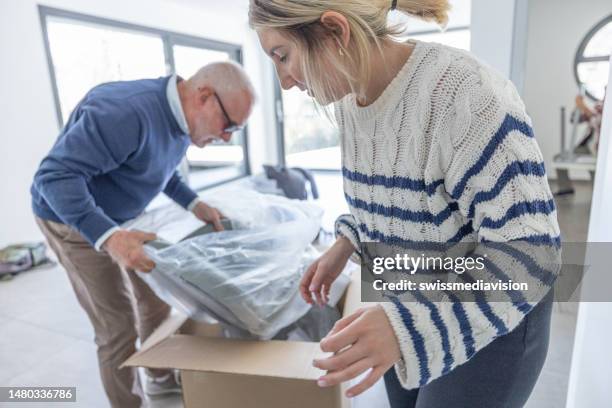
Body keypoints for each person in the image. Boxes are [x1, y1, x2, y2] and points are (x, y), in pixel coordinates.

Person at [249, 1, 560, 407]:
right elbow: (388, 196)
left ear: (335, 32)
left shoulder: (467, 94)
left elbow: (531, 251)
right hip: (406, 297)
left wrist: (406, 327)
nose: (284, 81)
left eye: (282, 56)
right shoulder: (348, 102)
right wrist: (347, 242)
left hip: (493, 311)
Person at [31, 61, 255, 408]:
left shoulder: (182, 121)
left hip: (118, 214)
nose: (226, 137)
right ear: (205, 97)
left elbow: (159, 169)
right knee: (117, 327)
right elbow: (53, 178)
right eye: (229, 126)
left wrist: (194, 203)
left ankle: (158, 377)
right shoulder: (124, 112)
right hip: (71, 219)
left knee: (154, 299)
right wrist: (109, 237)